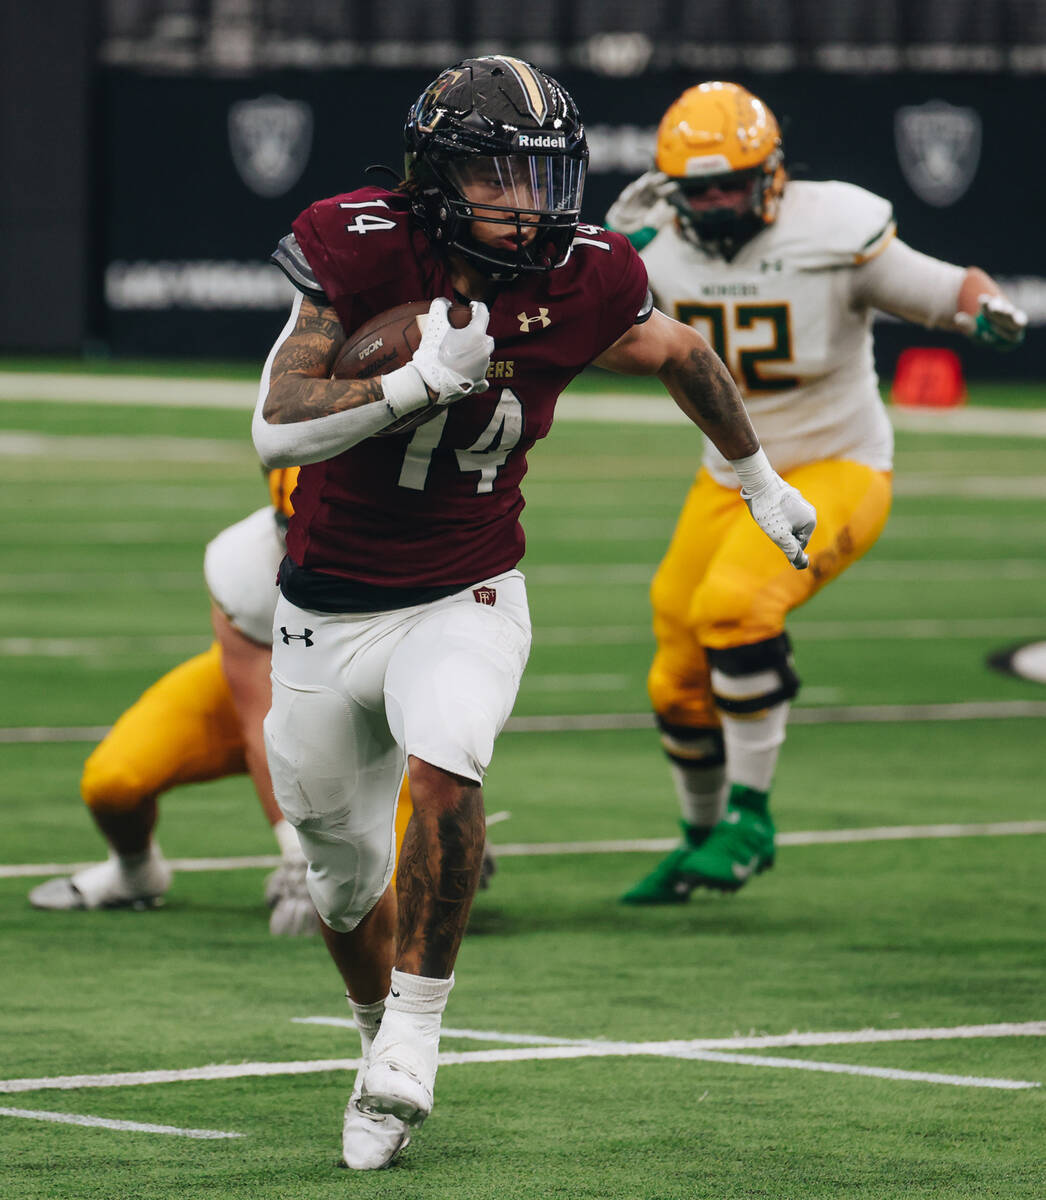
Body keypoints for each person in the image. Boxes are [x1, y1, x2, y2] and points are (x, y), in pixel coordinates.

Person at [252, 55, 815, 1171]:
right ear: (438, 173)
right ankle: (375, 1039)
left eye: (542, 175)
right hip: (323, 607)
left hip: (467, 588)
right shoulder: (358, 241)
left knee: (448, 764)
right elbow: (278, 423)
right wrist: (417, 381)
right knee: (337, 878)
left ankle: (417, 1027)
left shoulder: (590, 270)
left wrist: (760, 480)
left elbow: (678, 350)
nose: (526, 201)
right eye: (497, 174)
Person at [604, 81, 1027, 906]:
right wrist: (600, 253)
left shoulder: (832, 228)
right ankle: (699, 839)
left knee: (734, 605)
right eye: (701, 188)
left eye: (734, 182)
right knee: (674, 664)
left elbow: (945, 289)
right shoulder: (647, 243)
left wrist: (988, 309)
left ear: (773, 173)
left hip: (838, 465)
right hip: (727, 475)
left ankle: (751, 817)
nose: (719, 201)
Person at [27, 468, 414, 935]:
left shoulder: (410, 560)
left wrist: (445, 813)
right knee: (112, 783)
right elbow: (261, 720)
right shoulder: (245, 564)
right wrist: (295, 848)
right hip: (257, 692)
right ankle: (135, 873)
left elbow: (420, 695)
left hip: (362, 715)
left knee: (397, 902)